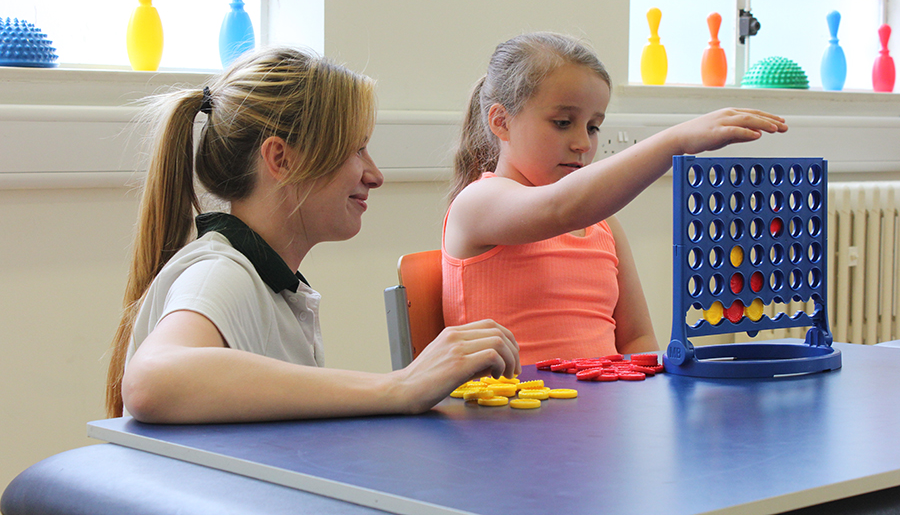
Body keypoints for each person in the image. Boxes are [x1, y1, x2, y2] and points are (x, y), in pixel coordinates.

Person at [105, 47, 519, 424]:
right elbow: (152, 380)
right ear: (281, 159)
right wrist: (400, 386)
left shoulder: (269, 281)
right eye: (356, 150)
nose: (375, 175)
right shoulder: (221, 274)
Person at [442, 32, 788, 364]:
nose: (582, 142)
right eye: (563, 122)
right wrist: (675, 142)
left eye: (593, 126)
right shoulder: (477, 203)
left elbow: (637, 340)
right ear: (500, 122)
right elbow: (560, 208)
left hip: (596, 420)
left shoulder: (603, 227)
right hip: (502, 418)